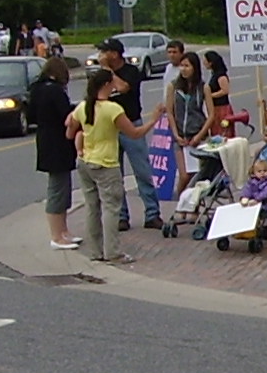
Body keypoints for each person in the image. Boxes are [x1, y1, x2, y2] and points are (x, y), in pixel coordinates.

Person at [65, 67, 167, 263]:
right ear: (106, 85)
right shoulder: (113, 109)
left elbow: (70, 133)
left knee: (92, 207)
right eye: (112, 83)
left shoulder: (83, 106)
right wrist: (153, 119)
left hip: (86, 161)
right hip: (106, 163)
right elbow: (135, 133)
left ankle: (96, 251)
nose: (114, 86)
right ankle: (113, 251)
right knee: (111, 208)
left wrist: (78, 131)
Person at [97, 38, 162, 230]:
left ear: (115, 54)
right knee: (114, 175)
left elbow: (123, 87)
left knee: (142, 171)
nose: (102, 55)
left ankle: (152, 213)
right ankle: (121, 216)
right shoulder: (101, 74)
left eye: (105, 51)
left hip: (131, 124)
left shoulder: (131, 71)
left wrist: (109, 71)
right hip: (110, 127)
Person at [29, 54, 79, 250]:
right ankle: (56, 235)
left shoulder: (36, 89)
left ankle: (64, 231)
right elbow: (66, 115)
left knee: (63, 185)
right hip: (58, 141)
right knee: (58, 189)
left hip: (44, 139)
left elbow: (32, 114)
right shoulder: (56, 92)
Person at [168, 51, 211, 199]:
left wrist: (199, 136)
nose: (184, 69)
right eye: (182, 66)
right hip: (180, 137)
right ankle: (180, 202)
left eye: (187, 66)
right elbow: (170, 112)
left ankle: (193, 205)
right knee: (184, 175)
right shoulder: (173, 87)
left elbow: (211, 115)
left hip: (197, 135)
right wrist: (175, 134)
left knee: (197, 175)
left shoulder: (203, 87)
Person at [201, 50, 234, 132]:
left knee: (223, 130)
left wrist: (210, 96)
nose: (203, 63)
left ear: (211, 62)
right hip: (215, 108)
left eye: (205, 60)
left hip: (222, 108)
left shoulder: (221, 75)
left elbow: (225, 91)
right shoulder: (214, 74)